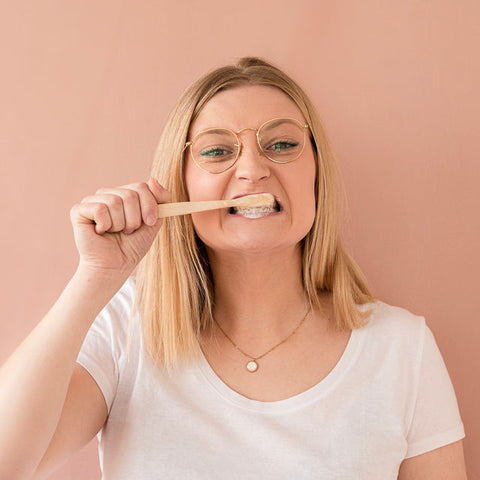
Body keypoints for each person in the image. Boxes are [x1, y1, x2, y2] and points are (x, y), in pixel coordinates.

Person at [0, 57, 467, 480]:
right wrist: (94, 278)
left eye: (281, 144)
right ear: (181, 181)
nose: (252, 169)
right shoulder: (127, 332)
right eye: (217, 151)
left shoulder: (403, 349)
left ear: (318, 176)